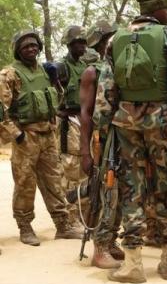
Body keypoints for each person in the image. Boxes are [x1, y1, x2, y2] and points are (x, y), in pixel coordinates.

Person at [96, 0, 167, 283]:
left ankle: (134, 264)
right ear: (158, 10)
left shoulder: (116, 39)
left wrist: (104, 125)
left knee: (132, 189)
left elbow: (107, 87)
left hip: (126, 124)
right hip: (163, 123)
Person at [0, 30, 82, 246]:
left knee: (54, 180)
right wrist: (17, 135)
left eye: (34, 45)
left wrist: (56, 81)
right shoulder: (9, 74)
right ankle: (25, 227)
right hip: (26, 136)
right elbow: (2, 111)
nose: (31, 49)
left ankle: (63, 225)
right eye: (26, 46)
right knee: (25, 183)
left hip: (47, 134)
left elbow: (57, 99)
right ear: (18, 50)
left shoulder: (45, 71)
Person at [79, 19, 124, 269]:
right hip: (103, 139)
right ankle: (100, 246)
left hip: (124, 135)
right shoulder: (92, 72)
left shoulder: (123, 67)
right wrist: (85, 151)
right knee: (105, 191)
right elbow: (85, 113)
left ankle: (111, 239)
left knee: (122, 191)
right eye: (108, 39)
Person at [56, 25, 89, 226]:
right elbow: (54, 96)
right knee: (69, 168)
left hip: (83, 119)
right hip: (68, 121)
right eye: (78, 43)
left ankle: (81, 212)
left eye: (84, 43)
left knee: (83, 170)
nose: (82, 47)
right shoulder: (62, 67)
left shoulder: (84, 66)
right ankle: (69, 215)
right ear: (69, 44)